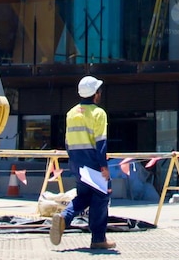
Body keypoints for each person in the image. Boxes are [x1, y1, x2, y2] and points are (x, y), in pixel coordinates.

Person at [50, 76, 115, 250]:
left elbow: (68, 142)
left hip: (77, 163)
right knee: (102, 196)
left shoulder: (71, 113)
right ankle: (98, 239)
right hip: (94, 162)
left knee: (84, 196)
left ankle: (65, 216)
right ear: (95, 94)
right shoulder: (98, 113)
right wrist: (104, 167)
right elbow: (101, 142)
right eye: (99, 90)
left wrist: (74, 163)